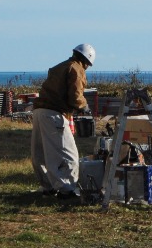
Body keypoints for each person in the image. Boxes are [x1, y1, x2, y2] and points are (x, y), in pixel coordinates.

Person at [31, 43, 96, 199]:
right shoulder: (76, 69)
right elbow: (75, 95)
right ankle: (66, 189)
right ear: (87, 60)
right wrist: (84, 106)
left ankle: (48, 187)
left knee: (40, 153)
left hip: (40, 112)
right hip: (54, 114)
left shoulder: (60, 66)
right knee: (68, 154)